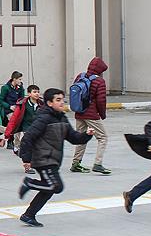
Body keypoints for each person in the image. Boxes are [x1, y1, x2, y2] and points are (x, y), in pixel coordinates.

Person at [17, 88, 94, 227]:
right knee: (56, 186)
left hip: (53, 160)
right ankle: (29, 183)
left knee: (49, 189)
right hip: (43, 159)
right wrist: (26, 159)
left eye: (62, 99)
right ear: (49, 103)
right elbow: (28, 137)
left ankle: (29, 215)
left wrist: (86, 135)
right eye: (58, 100)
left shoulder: (62, 118)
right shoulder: (43, 118)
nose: (61, 102)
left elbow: (74, 138)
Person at [71, 57, 112, 175]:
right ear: (100, 70)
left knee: (81, 137)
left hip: (79, 112)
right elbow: (101, 100)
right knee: (102, 137)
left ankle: (76, 163)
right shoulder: (99, 81)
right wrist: (102, 114)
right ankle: (98, 164)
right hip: (92, 114)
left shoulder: (80, 76)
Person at [6, 84, 42, 173]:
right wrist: (8, 132)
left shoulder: (41, 104)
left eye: (38, 92)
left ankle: (21, 152)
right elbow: (14, 118)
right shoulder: (22, 104)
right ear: (29, 94)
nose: (37, 94)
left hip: (39, 130)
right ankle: (27, 166)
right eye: (34, 92)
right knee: (29, 148)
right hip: (28, 129)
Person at [0, 71, 25, 143]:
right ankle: (17, 144)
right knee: (16, 126)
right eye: (19, 79)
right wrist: (9, 106)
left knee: (17, 127)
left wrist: (21, 89)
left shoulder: (20, 87)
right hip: (8, 110)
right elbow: (0, 100)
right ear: (14, 79)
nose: (20, 81)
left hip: (17, 110)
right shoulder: (5, 88)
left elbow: (22, 99)